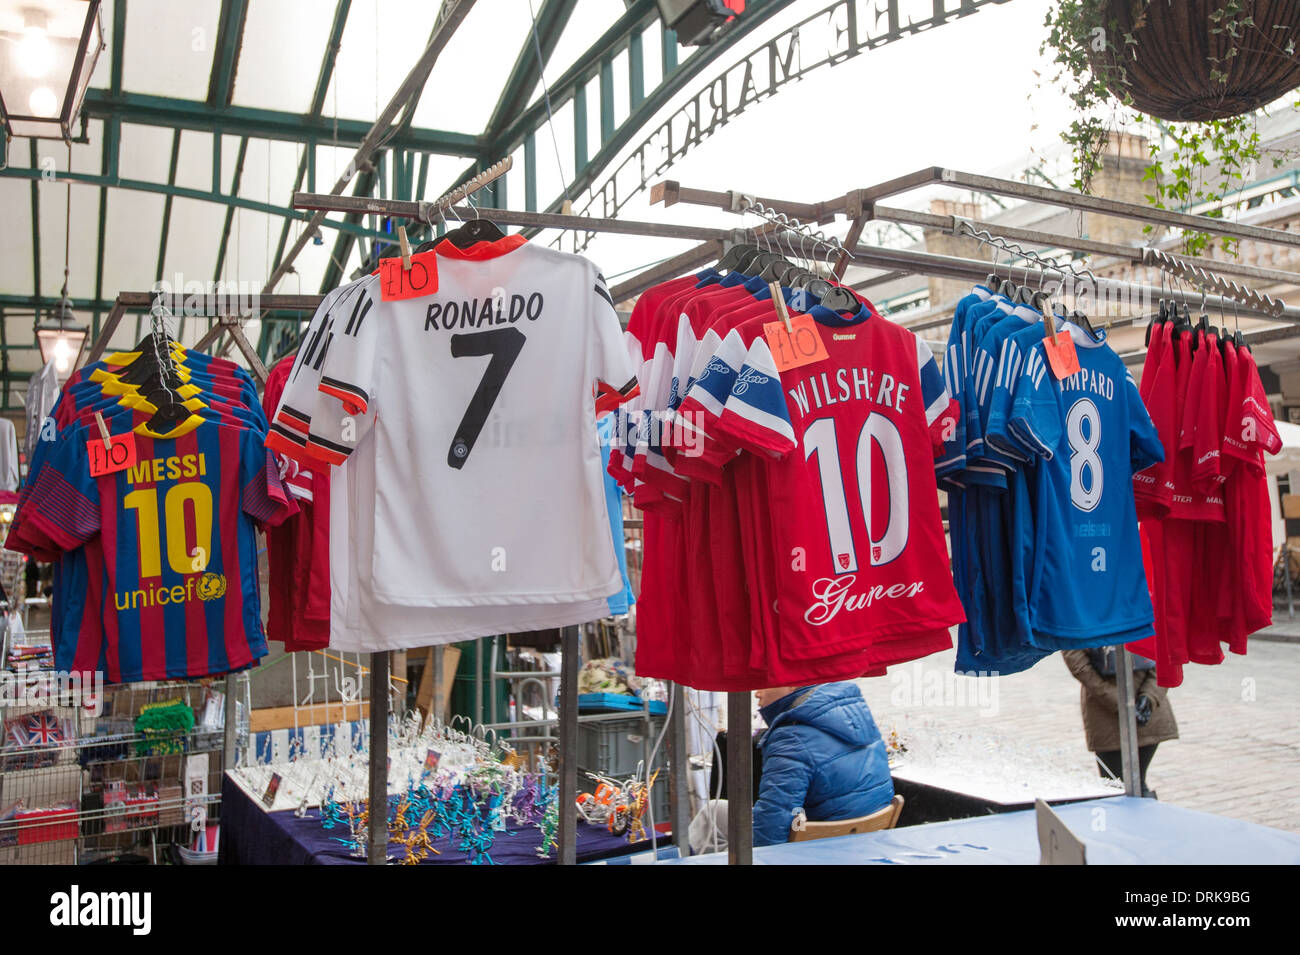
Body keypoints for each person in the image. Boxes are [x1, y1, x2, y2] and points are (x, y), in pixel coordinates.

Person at [688, 681, 895, 852]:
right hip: (867, 842)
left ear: (793, 685)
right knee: (714, 811)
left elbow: (774, 822)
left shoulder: (791, 737)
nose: (756, 693)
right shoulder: (859, 715)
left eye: (765, 683)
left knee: (711, 817)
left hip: (818, 847)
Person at [1062, 648, 1178, 797]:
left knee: (1123, 786)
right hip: (1106, 712)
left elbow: (1167, 652)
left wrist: (1150, 696)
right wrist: (1125, 701)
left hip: (1143, 710)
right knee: (1118, 785)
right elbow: (1078, 663)